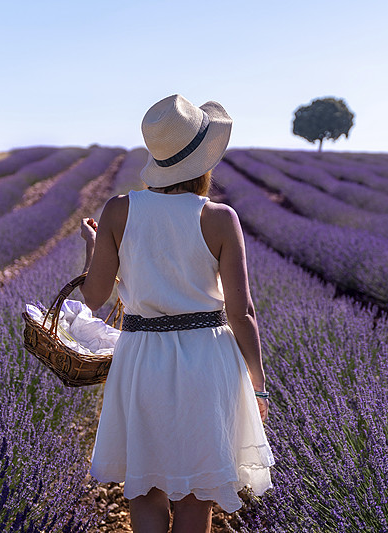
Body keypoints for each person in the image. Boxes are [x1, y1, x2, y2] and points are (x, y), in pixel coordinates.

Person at [79, 94, 274, 533]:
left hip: (142, 356)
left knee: (145, 485)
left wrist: (94, 250)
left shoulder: (118, 210)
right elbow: (242, 312)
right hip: (206, 358)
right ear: (205, 160)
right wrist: (257, 384)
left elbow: (93, 298)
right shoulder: (220, 218)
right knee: (195, 493)